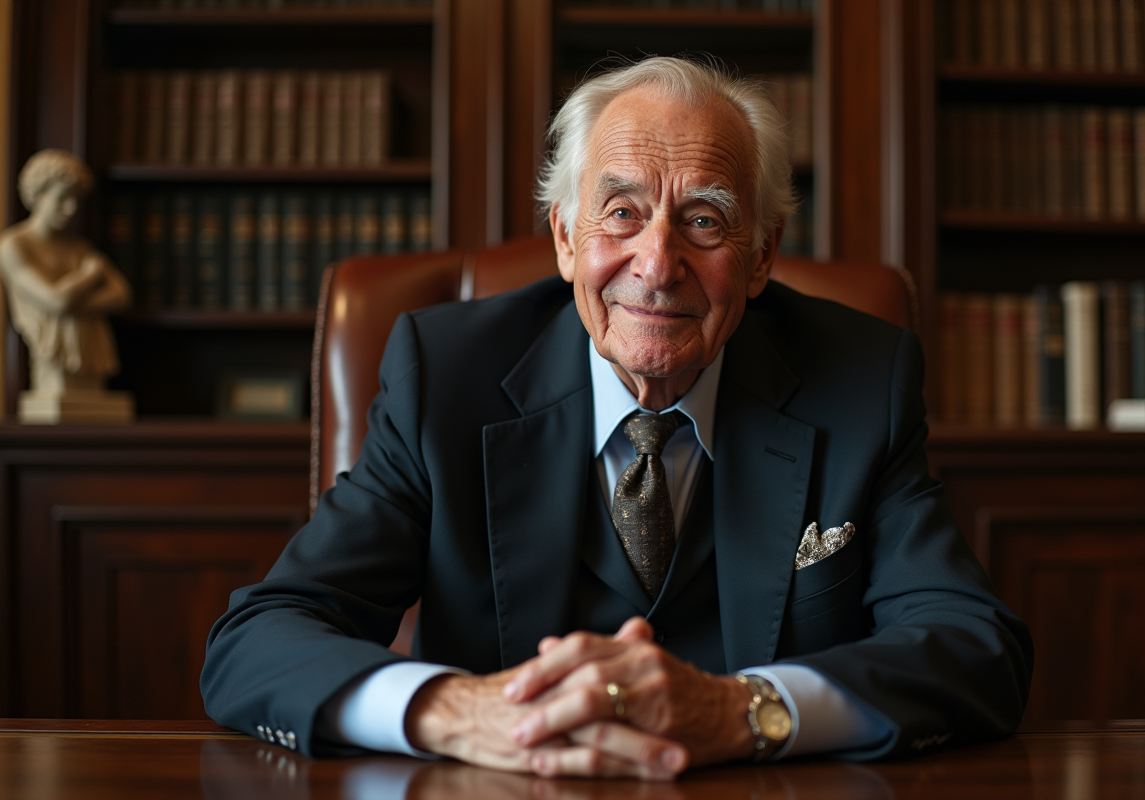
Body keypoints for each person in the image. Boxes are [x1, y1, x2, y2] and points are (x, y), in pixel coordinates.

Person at [202, 57, 1033, 780]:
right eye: (622, 212)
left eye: (704, 220)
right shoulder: (444, 378)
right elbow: (259, 638)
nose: (658, 264)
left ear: (761, 256)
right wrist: (454, 711)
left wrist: (745, 711)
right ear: (566, 239)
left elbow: (974, 649)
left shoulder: (861, 380)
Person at [0, 149, 132, 402]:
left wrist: (74, 302)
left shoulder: (78, 247)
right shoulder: (15, 245)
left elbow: (121, 295)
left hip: (89, 352)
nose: (70, 209)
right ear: (38, 195)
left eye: (76, 200)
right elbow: (55, 301)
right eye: (61, 199)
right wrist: (90, 277)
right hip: (52, 358)